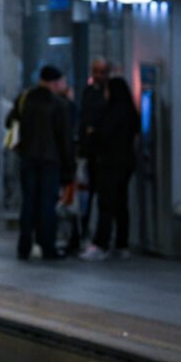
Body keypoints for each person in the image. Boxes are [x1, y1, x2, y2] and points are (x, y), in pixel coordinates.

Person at [7, 65, 74, 260]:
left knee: (28, 202)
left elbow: (9, 122)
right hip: (50, 161)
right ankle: (47, 246)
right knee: (47, 204)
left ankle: (24, 246)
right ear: (55, 83)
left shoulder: (24, 99)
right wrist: (69, 170)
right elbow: (65, 140)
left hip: (27, 159)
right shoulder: (59, 104)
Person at [80, 76, 140, 261]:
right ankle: (122, 244)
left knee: (105, 203)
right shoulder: (131, 112)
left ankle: (101, 243)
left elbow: (102, 136)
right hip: (126, 162)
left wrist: (92, 135)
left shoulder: (111, 112)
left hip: (109, 163)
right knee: (121, 204)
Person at [78, 58, 110, 238]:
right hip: (89, 151)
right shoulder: (89, 92)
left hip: (102, 153)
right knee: (87, 193)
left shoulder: (108, 93)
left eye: (102, 72)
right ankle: (85, 228)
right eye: (96, 71)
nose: (98, 76)